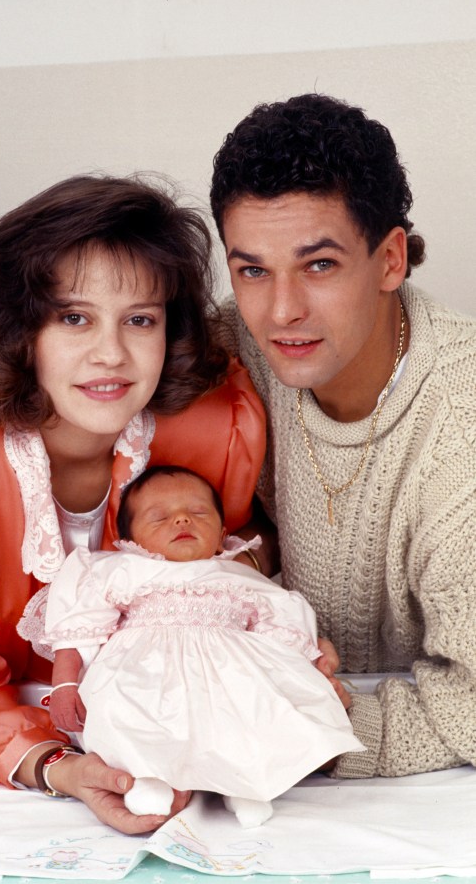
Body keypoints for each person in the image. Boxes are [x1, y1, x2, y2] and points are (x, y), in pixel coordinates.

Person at [0, 174, 267, 834]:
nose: (111, 353)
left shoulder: (220, 425)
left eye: (140, 319)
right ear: (22, 330)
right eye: (73, 316)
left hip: (179, 734)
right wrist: (61, 768)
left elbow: (233, 568)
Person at [210, 93, 476, 781]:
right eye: (252, 269)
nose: (281, 310)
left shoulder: (462, 424)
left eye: (319, 265)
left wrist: (319, 730)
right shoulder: (229, 345)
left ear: (389, 260)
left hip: (425, 783)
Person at [28, 465, 363, 829]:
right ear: (130, 541)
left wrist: (308, 667)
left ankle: (246, 784)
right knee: (126, 711)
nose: (182, 519)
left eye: (199, 513)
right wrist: (65, 685)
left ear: (222, 535)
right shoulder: (123, 570)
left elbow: (280, 622)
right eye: (159, 517)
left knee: (250, 710)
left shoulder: (238, 575)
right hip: (143, 673)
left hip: (226, 671)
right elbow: (78, 631)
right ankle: (148, 778)